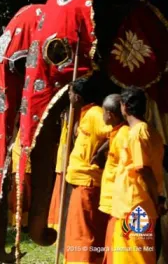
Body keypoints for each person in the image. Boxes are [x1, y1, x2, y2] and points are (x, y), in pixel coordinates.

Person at [105, 87, 165, 264]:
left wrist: (155, 199)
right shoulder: (151, 131)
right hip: (134, 203)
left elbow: (143, 169)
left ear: (124, 106)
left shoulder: (138, 133)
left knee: (135, 254)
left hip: (136, 204)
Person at [62, 78, 111, 264]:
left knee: (85, 234)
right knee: (78, 232)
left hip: (88, 183)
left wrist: (99, 152)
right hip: (81, 183)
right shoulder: (83, 113)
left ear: (79, 96)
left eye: (70, 92)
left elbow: (114, 132)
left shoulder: (96, 114)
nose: (69, 96)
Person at [96, 94, 128, 263]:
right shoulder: (116, 133)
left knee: (115, 245)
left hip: (118, 201)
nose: (102, 115)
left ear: (111, 115)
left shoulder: (124, 135)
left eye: (103, 112)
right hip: (112, 200)